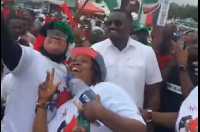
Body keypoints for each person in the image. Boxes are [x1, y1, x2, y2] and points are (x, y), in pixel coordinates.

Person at [33, 47, 146, 132]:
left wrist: (100, 113)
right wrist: (43, 102)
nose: (75, 63)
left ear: (95, 70)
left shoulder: (107, 89)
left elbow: (140, 128)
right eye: (72, 60)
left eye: (84, 61)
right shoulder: (64, 107)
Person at [1, 13, 74, 132]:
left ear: (67, 44)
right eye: (50, 33)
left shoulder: (68, 72)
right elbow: (5, 44)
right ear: (43, 38)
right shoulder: (30, 58)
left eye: (62, 35)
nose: (56, 36)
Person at [92, 9, 162, 118]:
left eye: (118, 23)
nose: (112, 26)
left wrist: (149, 119)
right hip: (99, 120)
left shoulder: (146, 52)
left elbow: (154, 93)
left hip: (132, 122)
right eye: (109, 23)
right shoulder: (95, 50)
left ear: (130, 26)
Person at [154, 32, 198, 132]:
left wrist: (182, 66)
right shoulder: (178, 61)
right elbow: (158, 84)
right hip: (160, 123)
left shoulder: (183, 65)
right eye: (192, 42)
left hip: (183, 126)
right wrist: (171, 64)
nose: (195, 46)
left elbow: (190, 95)